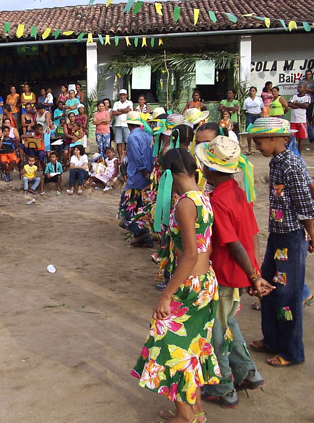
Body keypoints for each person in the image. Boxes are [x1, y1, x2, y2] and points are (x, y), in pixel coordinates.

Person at [133, 147, 220, 423]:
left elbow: (190, 254)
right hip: (205, 281)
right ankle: (195, 411)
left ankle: (186, 417)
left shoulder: (185, 204)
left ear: (167, 173)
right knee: (193, 348)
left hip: (190, 285)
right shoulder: (202, 198)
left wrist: (167, 294)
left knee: (169, 345)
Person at [194, 136, 269, 408]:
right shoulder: (238, 192)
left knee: (217, 329)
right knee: (229, 321)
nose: (201, 170)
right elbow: (253, 235)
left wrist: (253, 276)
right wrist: (255, 271)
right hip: (241, 270)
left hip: (226, 272)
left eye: (204, 166)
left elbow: (234, 244)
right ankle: (247, 371)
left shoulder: (217, 201)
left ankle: (223, 387)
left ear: (212, 170)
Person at [246, 118, 314, 367]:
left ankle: (292, 351)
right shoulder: (276, 162)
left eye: (259, 141)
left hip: (292, 236)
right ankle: (272, 339)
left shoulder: (292, 164)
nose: (257, 146)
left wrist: (311, 234)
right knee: (268, 288)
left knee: (288, 294)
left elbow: (305, 205)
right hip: (277, 233)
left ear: (277, 138)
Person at [118, 111, 153, 247]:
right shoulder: (147, 135)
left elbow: (138, 157)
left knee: (127, 206)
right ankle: (142, 233)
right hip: (145, 175)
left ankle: (141, 234)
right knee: (140, 205)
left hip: (136, 177)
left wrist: (143, 171)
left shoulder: (133, 137)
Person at [288, 83, 311, 155]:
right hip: (293, 121)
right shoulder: (294, 96)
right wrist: (300, 105)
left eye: (300, 87)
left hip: (302, 121)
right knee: (292, 138)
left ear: (304, 89)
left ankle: (299, 154)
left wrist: (296, 103)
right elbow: (289, 104)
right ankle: (292, 153)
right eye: (298, 87)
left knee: (301, 139)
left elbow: (306, 105)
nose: (298, 89)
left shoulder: (307, 97)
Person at [112, 89, 133, 162]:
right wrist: (124, 110)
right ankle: (121, 158)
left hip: (126, 124)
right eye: (121, 94)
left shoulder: (129, 102)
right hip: (118, 124)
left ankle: (126, 156)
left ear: (126, 95)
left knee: (127, 142)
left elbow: (129, 110)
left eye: (124, 94)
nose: (122, 96)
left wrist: (119, 110)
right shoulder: (116, 103)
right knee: (119, 142)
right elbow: (114, 113)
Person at [242, 86, 264, 155]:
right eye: (251, 91)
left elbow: (262, 108)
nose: (252, 92)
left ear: (256, 92)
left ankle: (260, 148)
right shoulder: (246, 100)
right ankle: (249, 149)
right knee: (249, 132)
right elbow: (244, 110)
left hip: (257, 115)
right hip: (250, 115)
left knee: (258, 132)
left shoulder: (259, 99)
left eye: (253, 91)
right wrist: (249, 115)